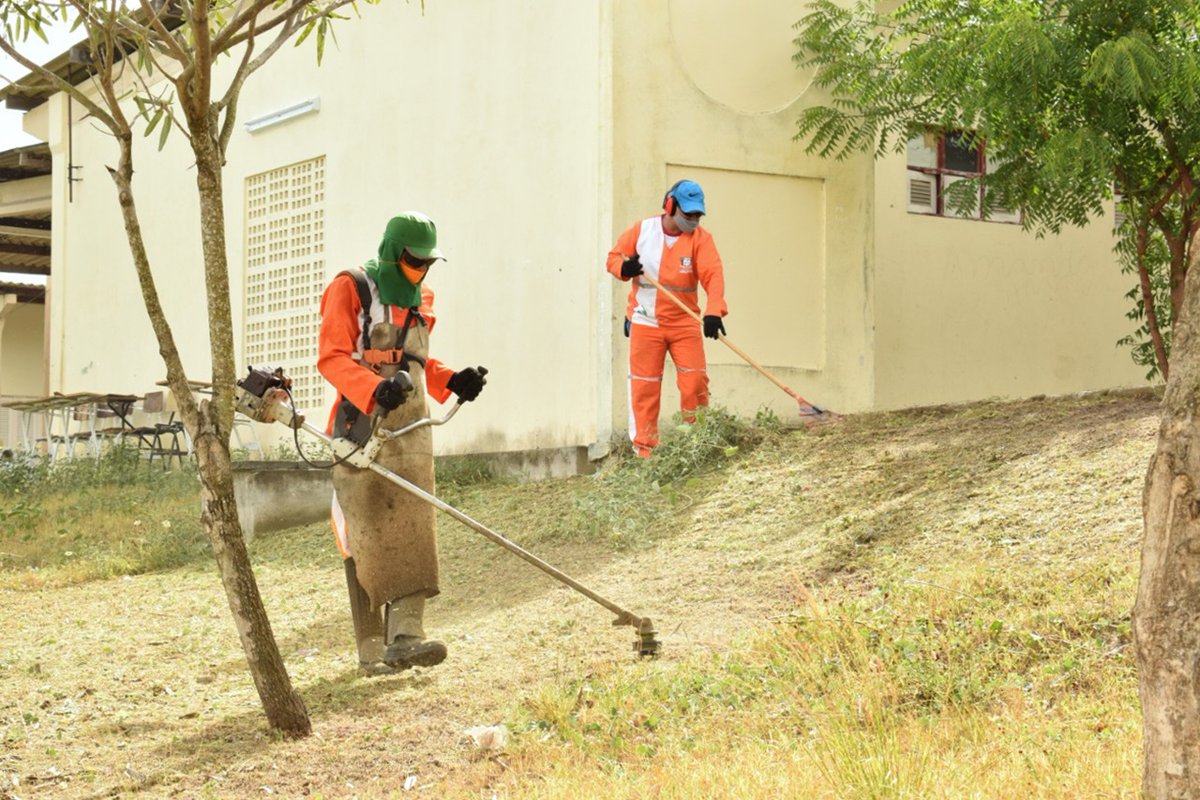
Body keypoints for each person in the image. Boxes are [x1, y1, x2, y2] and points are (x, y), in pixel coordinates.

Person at [318, 211, 488, 676]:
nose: (421, 271)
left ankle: (408, 636)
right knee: (361, 527)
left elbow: (416, 361)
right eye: (414, 261)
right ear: (394, 254)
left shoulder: (422, 298)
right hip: (359, 423)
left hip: (412, 426)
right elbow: (332, 358)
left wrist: (453, 379)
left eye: (428, 263)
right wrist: (374, 389)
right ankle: (371, 647)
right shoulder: (351, 288)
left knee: (414, 519)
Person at [606, 179, 727, 457]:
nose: (694, 220)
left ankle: (697, 444)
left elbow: (714, 275)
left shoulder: (702, 240)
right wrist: (625, 267)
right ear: (670, 206)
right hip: (646, 321)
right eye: (688, 214)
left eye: (698, 215)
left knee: (695, 383)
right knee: (644, 387)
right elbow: (612, 259)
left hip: (685, 322)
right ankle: (644, 452)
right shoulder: (642, 231)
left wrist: (713, 311)